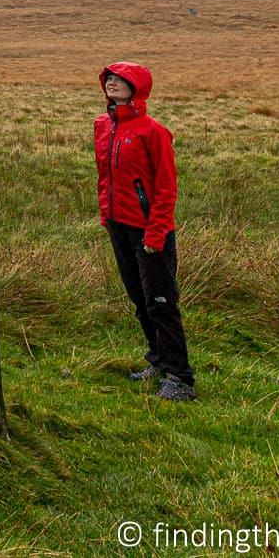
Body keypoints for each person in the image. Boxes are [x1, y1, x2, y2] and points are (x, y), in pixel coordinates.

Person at [94, 61, 197, 401]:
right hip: (119, 226)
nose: (112, 82)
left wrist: (156, 234)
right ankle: (159, 360)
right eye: (109, 78)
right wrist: (106, 214)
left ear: (137, 87)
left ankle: (181, 379)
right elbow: (106, 176)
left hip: (150, 231)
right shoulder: (103, 127)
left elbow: (167, 189)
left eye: (120, 79)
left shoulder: (153, 131)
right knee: (140, 299)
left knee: (161, 302)